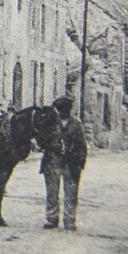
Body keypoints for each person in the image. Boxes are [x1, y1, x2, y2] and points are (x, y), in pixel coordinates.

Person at [41, 94, 87, 230]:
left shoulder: (77, 124)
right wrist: (50, 146)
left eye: (62, 111)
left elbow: (82, 145)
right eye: (58, 111)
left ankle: (70, 220)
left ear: (68, 110)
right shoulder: (50, 122)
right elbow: (43, 140)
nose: (59, 113)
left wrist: (80, 163)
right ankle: (51, 218)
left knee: (71, 193)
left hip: (71, 163)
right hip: (52, 161)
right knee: (51, 192)